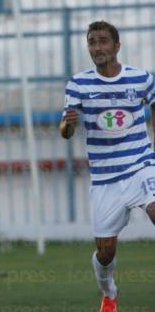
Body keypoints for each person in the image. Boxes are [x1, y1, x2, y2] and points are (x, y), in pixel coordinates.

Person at [59, 21, 155, 312]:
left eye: (102, 41)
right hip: (105, 179)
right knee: (105, 251)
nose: (97, 48)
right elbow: (65, 130)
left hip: (141, 165)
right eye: (92, 42)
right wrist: (67, 124)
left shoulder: (141, 78)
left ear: (116, 45)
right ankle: (109, 293)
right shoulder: (79, 83)